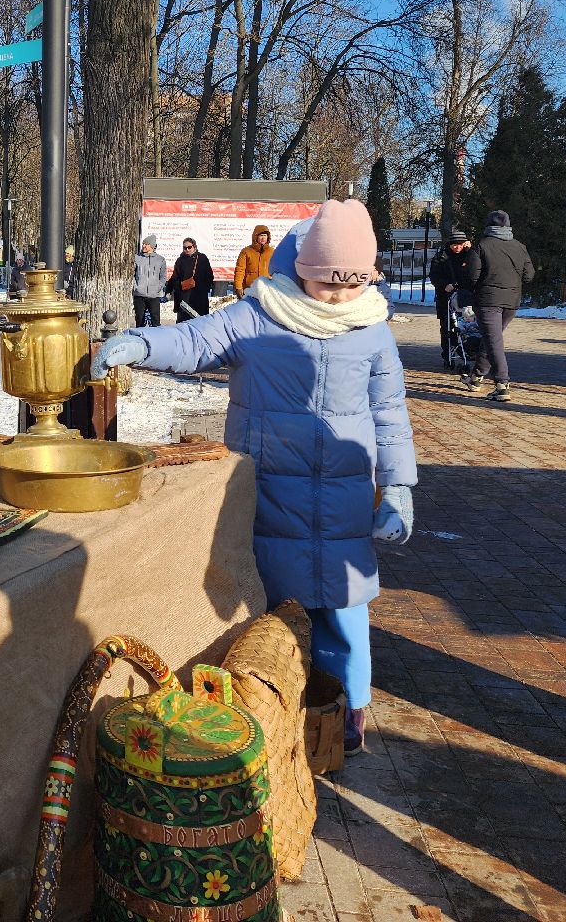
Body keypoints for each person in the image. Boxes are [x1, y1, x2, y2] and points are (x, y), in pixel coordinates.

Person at [93, 199, 417, 757]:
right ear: (302, 270)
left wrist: (400, 491)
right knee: (266, 609)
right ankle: (266, 709)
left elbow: (389, 416)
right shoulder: (260, 312)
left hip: (343, 497)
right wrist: (143, 344)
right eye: (325, 283)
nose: (337, 297)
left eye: (350, 284)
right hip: (267, 491)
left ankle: (346, 711)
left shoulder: (372, 330)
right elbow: (198, 341)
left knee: (343, 610)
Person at [463, 209, 534, 402]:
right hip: (511, 302)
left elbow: (472, 276)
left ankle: (502, 385)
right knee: (491, 339)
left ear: (489, 226)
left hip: (488, 301)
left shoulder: (482, 245)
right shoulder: (520, 246)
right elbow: (529, 275)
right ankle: (476, 377)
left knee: (494, 341)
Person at [428, 230, 474, 368]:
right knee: (447, 326)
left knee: (468, 325)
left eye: (460, 245)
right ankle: (448, 353)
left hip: (467, 297)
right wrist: (444, 285)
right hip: (446, 297)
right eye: (454, 245)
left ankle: (469, 349)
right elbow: (434, 275)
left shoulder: (470, 255)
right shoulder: (441, 257)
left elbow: (478, 268)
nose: (457, 248)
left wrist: (471, 250)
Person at [166, 237, 214, 320]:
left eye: (189, 247)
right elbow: (175, 277)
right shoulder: (180, 260)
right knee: (183, 323)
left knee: (199, 321)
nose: (187, 249)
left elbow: (209, 276)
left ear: (194, 247)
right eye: (185, 248)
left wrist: (204, 289)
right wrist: (171, 289)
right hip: (184, 297)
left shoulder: (202, 258)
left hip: (199, 297)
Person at [133, 234, 166, 327]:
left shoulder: (160, 260)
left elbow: (163, 277)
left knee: (155, 321)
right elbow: (132, 275)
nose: (143, 246)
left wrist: (157, 288)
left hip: (154, 296)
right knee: (139, 321)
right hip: (139, 295)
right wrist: (136, 287)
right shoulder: (137, 258)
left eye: (145, 244)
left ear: (151, 246)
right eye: (143, 243)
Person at [233, 225, 273, 295]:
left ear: (268, 237)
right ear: (256, 236)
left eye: (265, 235)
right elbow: (240, 270)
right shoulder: (246, 251)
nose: (263, 238)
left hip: (267, 290)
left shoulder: (272, 251)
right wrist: (238, 287)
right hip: (249, 289)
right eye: (261, 236)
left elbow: (276, 271)